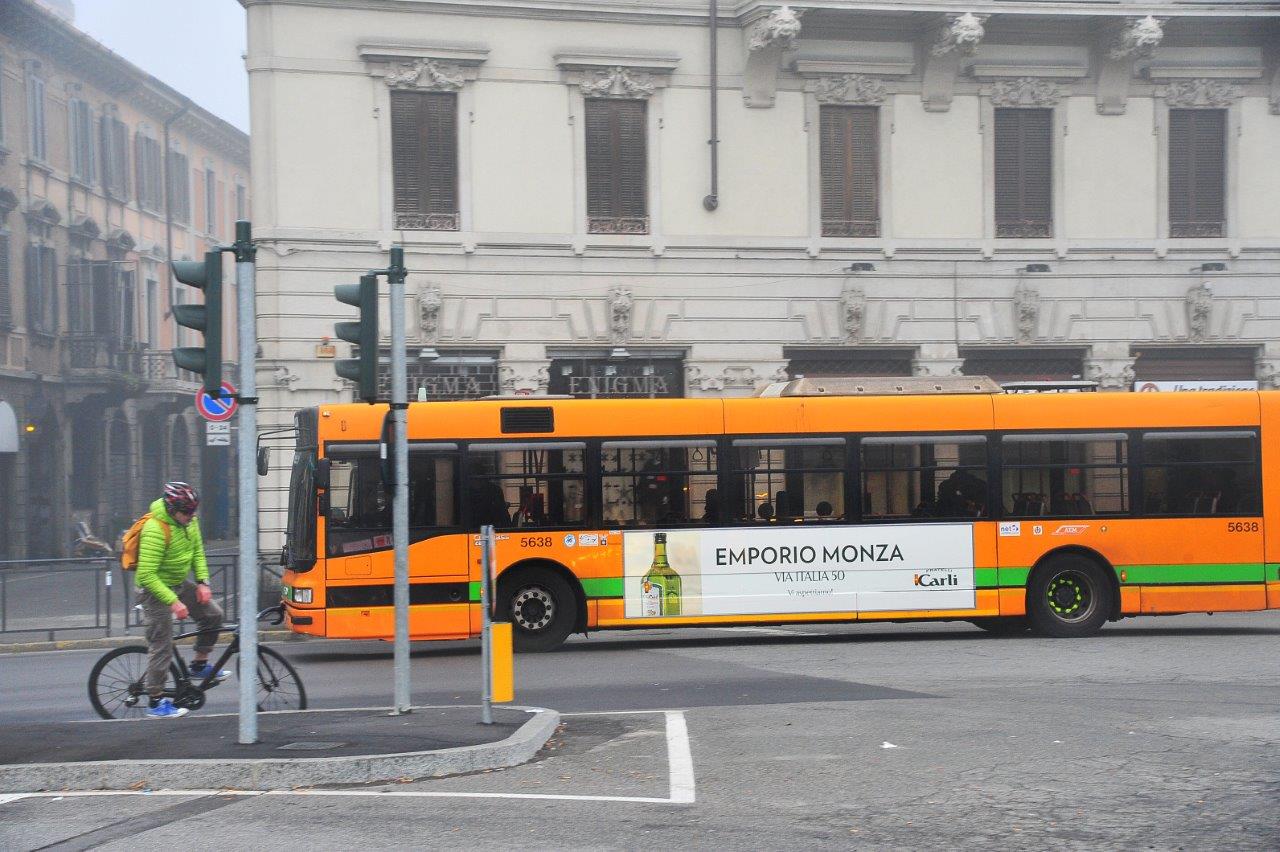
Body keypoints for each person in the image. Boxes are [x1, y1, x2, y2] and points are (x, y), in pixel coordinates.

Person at [135, 482, 226, 719]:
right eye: (186, 512)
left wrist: (203, 582)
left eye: (194, 510)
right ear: (172, 508)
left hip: (177, 583)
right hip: (153, 590)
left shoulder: (189, 522)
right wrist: (174, 602)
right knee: (162, 645)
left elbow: (197, 552)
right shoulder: (155, 529)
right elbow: (146, 575)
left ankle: (198, 665)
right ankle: (155, 702)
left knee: (213, 615)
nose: (191, 515)